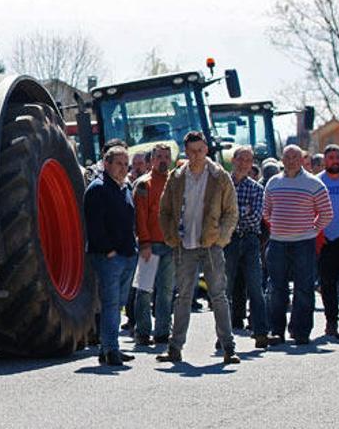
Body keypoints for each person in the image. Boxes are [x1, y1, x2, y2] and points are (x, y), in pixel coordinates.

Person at [156, 131, 241, 364]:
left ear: (207, 150)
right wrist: (171, 237)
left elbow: (231, 212)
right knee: (182, 297)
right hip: (184, 245)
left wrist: (221, 238)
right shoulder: (176, 177)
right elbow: (164, 211)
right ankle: (175, 348)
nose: (197, 155)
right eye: (192, 151)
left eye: (201, 150)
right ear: (186, 152)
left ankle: (228, 347)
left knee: (218, 296)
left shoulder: (219, 176)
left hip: (211, 244)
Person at [263, 144, 333, 345]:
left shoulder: (313, 183)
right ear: (282, 160)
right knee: (276, 288)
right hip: (277, 243)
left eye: (295, 157)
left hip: (304, 243)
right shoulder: (273, 183)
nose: (291, 160)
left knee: (304, 288)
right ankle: (276, 331)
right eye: (287, 157)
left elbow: (326, 213)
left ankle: (301, 331)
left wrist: (312, 229)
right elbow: (266, 211)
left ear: (302, 159)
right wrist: (278, 225)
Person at [85, 145, 138, 366]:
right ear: (106, 164)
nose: (123, 169)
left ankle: (108, 347)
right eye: (119, 163)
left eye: (126, 164)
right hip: (108, 257)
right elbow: (94, 226)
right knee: (110, 304)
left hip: (127, 255)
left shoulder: (124, 188)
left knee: (118, 305)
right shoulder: (97, 189)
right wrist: (109, 250)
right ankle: (111, 350)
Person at [224, 146, 269, 348]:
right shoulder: (222, 185)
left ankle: (260, 332)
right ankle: (223, 335)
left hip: (250, 240)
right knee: (224, 289)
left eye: (248, 160)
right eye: (240, 159)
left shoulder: (257, 188)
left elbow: (255, 217)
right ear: (233, 160)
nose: (244, 164)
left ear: (252, 164)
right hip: (227, 240)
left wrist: (233, 215)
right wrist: (239, 212)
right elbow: (218, 213)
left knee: (255, 287)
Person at [132, 143, 174, 346]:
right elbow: (140, 217)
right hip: (150, 245)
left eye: (166, 156)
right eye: (159, 157)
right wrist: (144, 242)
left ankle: (163, 331)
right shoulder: (143, 185)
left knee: (166, 291)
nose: (163, 160)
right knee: (144, 290)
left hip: (172, 245)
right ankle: (142, 331)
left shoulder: (176, 182)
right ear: (152, 160)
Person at [317, 144, 339, 339]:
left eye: (337, 157)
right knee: (327, 284)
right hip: (326, 240)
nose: (334, 160)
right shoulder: (318, 182)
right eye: (331, 158)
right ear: (325, 160)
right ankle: (331, 322)